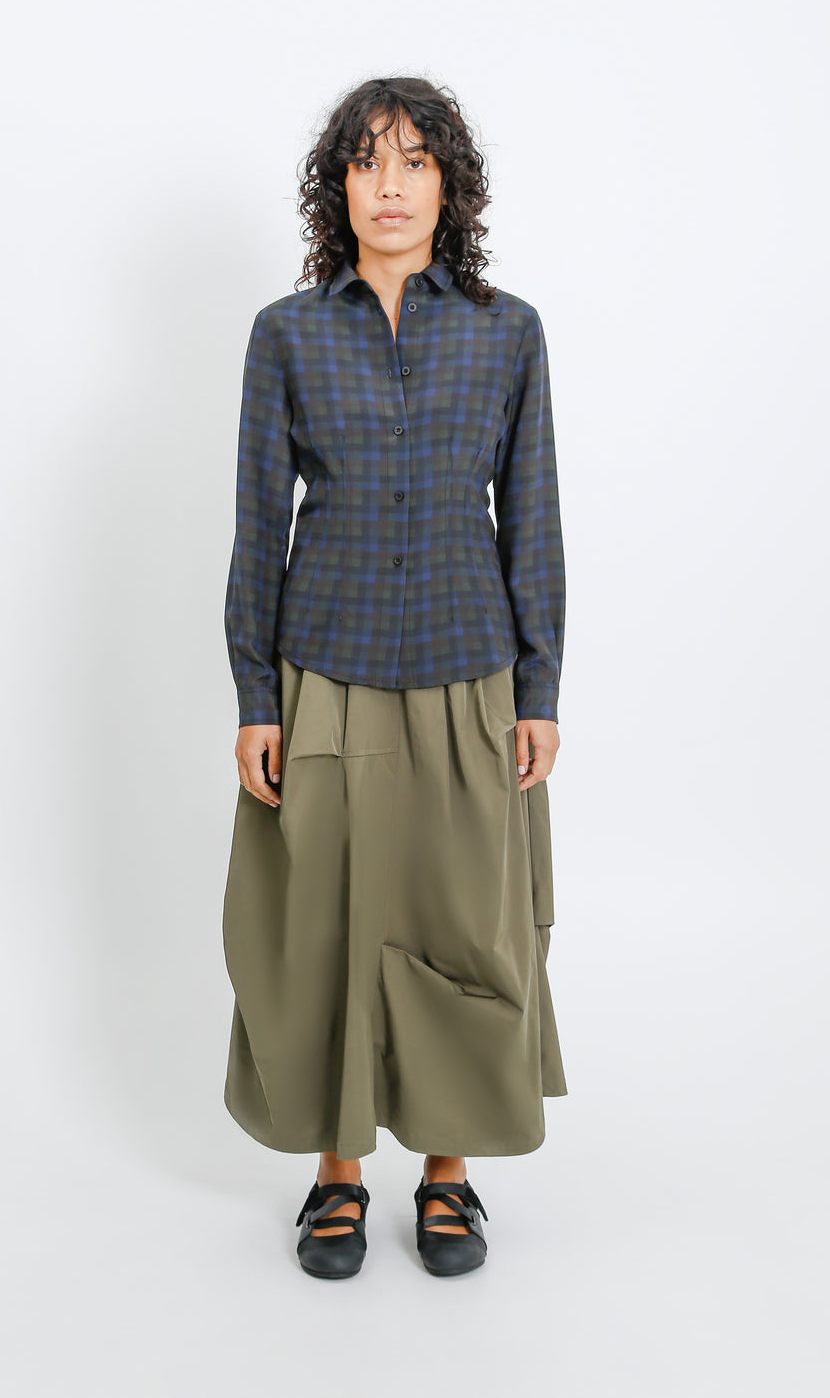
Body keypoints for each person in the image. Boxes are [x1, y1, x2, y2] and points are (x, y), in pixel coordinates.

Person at [221, 76, 568, 1279]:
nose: (390, 185)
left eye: (415, 162)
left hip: (470, 671)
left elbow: (532, 519)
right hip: (328, 670)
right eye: (368, 161)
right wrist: (256, 700)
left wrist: (539, 688)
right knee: (329, 922)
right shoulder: (287, 333)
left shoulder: (506, 331)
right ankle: (336, 1173)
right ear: (338, 187)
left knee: (461, 922)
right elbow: (259, 524)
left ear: (448, 186)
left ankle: (448, 1171)